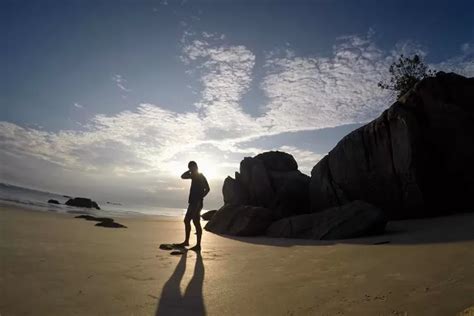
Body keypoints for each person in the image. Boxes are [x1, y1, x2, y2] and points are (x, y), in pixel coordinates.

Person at [175, 161, 210, 251]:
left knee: (196, 222)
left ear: (196, 167)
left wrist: (200, 198)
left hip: (197, 203)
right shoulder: (193, 175)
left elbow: (208, 188)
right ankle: (186, 241)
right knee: (186, 220)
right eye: (190, 168)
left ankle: (198, 245)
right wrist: (189, 171)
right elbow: (183, 176)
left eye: (192, 167)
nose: (191, 169)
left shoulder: (200, 176)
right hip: (192, 202)